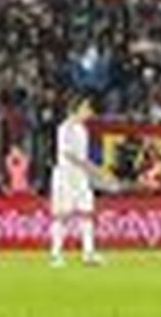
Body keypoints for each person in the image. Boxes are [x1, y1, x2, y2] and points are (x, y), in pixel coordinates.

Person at [48, 99, 103, 267]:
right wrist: (90, 167)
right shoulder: (65, 128)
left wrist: (89, 169)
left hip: (80, 178)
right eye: (86, 108)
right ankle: (56, 254)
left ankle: (88, 253)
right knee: (62, 216)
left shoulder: (82, 130)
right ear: (76, 109)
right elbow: (68, 155)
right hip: (65, 177)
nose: (89, 112)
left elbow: (82, 157)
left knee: (87, 213)